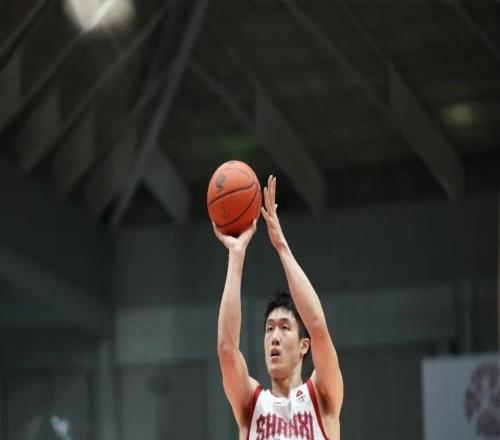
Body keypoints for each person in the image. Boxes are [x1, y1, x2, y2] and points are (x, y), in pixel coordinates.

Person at [213, 175, 343, 440]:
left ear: (304, 345)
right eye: (269, 329)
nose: (274, 336)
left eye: (284, 328)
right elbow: (227, 350)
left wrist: (281, 245)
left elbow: (317, 327)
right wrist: (236, 255)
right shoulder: (251, 403)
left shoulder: (322, 395)